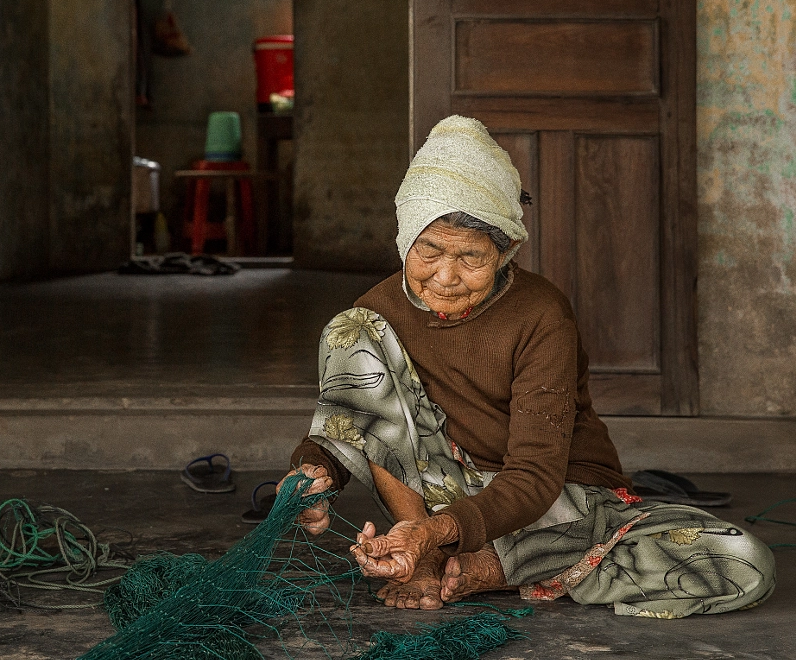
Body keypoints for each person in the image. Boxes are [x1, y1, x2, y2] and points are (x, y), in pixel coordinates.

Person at [278, 115, 776, 618]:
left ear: (506, 251)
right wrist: (313, 476)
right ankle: (453, 562)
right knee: (351, 330)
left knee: (741, 564)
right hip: (441, 495)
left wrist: (435, 532)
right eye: (427, 251)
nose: (446, 277)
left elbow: (537, 476)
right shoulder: (376, 313)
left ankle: (482, 568)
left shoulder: (542, 314)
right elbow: (357, 422)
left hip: (554, 500)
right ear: (404, 238)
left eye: (471, 258)